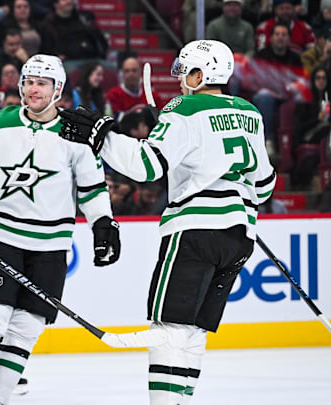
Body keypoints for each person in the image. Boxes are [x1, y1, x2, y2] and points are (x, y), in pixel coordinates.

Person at [59, 39, 276, 405]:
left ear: (201, 73)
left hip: (194, 231)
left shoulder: (184, 107)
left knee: (168, 330)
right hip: (240, 237)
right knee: (192, 332)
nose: (179, 79)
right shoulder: (250, 112)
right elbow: (266, 185)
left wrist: (104, 137)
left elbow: (147, 166)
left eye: (186, 71)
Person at [0, 54, 120, 405]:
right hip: (0, 239)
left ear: (57, 89)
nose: (33, 89)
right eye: (28, 81)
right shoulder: (0, 125)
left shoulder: (76, 134)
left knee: (26, 328)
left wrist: (104, 223)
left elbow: (91, 189)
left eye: (42, 83)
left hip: (50, 247)